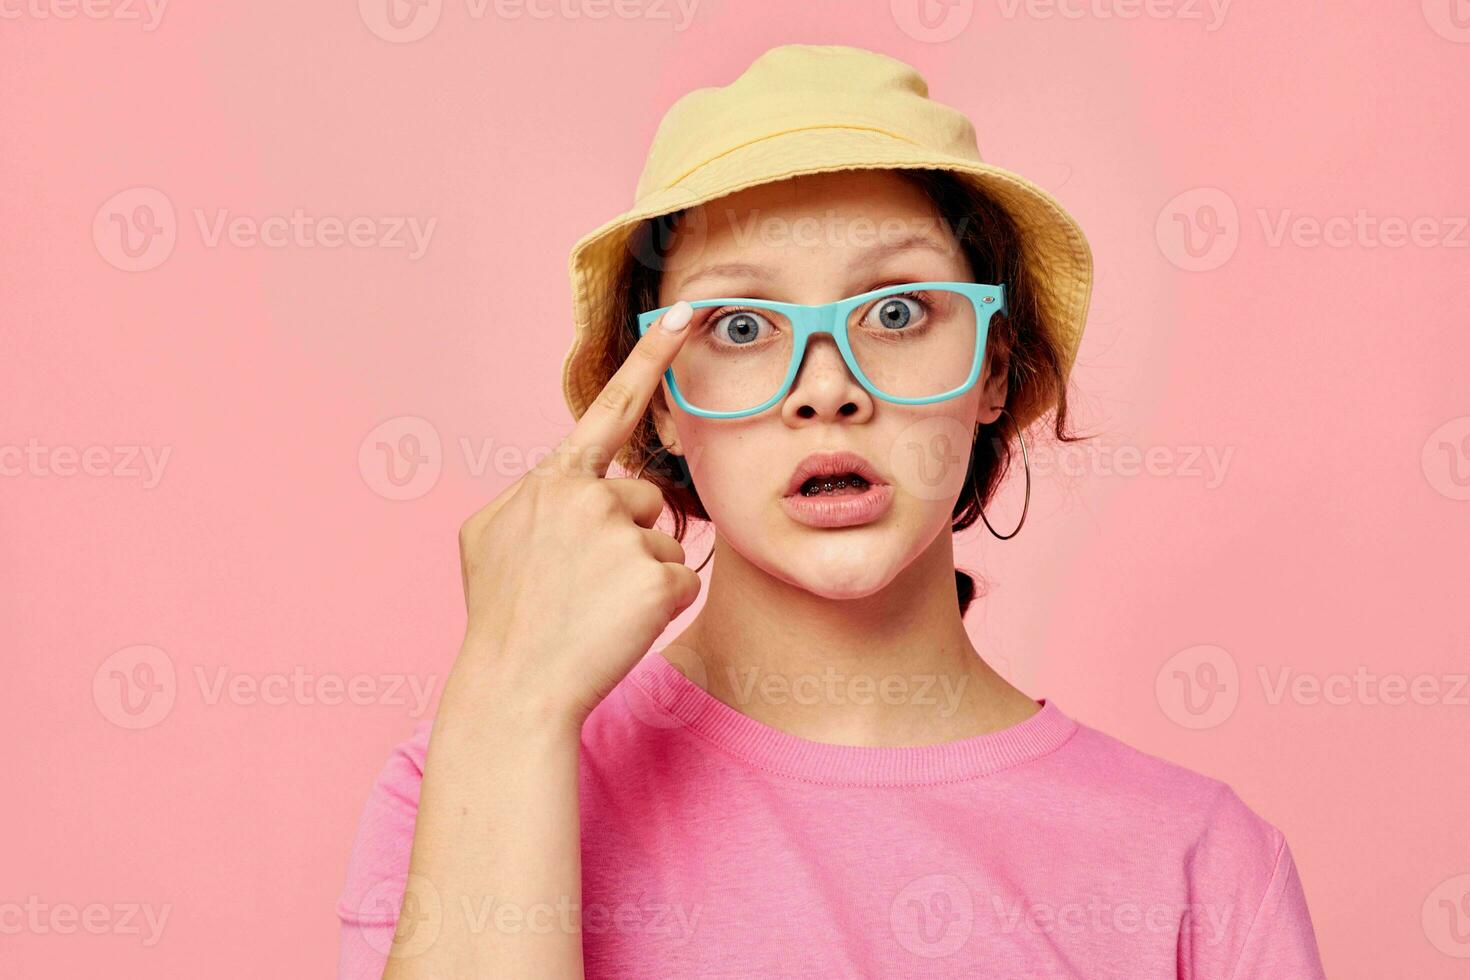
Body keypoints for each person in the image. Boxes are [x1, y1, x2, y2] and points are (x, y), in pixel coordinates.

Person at [335, 44, 1328, 978]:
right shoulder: (479, 773)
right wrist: (506, 705)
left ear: (991, 365)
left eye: (896, 311)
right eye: (738, 324)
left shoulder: (1201, 868)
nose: (826, 389)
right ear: (664, 401)